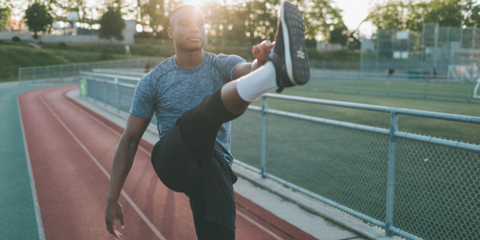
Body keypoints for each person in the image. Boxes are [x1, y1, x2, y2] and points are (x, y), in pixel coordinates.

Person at [104, 2, 310, 239]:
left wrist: (261, 63)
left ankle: (271, 71)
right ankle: (273, 75)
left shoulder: (220, 64)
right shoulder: (153, 81)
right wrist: (112, 197)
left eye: (200, 24)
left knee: (220, 233)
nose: (195, 29)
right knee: (203, 116)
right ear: (170, 32)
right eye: (185, 24)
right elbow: (129, 142)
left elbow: (247, 68)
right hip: (174, 162)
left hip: (215, 167)